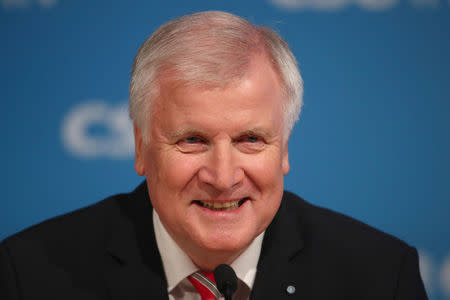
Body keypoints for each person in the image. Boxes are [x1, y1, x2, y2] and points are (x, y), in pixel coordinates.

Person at [0, 11, 427, 300]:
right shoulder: (30, 275)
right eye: (192, 140)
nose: (223, 177)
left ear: (284, 148)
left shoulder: (379, 277)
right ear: (141, 147)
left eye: (251, 140)